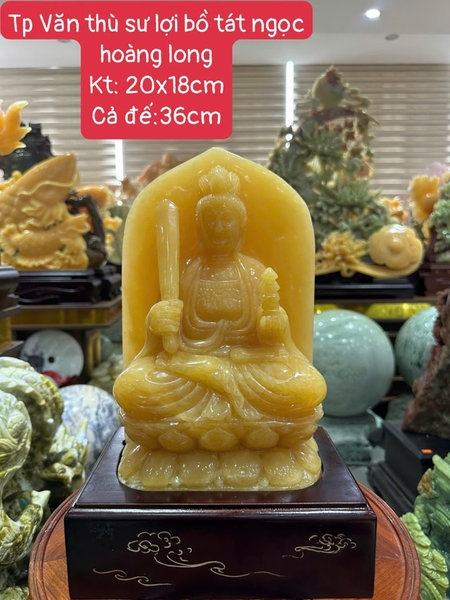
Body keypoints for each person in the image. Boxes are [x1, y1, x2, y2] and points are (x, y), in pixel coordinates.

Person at [114, 165, 326, 489]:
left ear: (240, 225)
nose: (219, 228)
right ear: (200, 226)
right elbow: (160, 346)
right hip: (188, 371)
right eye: (210, 221)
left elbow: (276, 340)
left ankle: (190, 444)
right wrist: (158, 322)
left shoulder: (254, 273)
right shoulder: (185, 273)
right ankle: (250, 442)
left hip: (248, 369)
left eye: (227, 220)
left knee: (305, 389)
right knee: (133, 388)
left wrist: (273, 327)